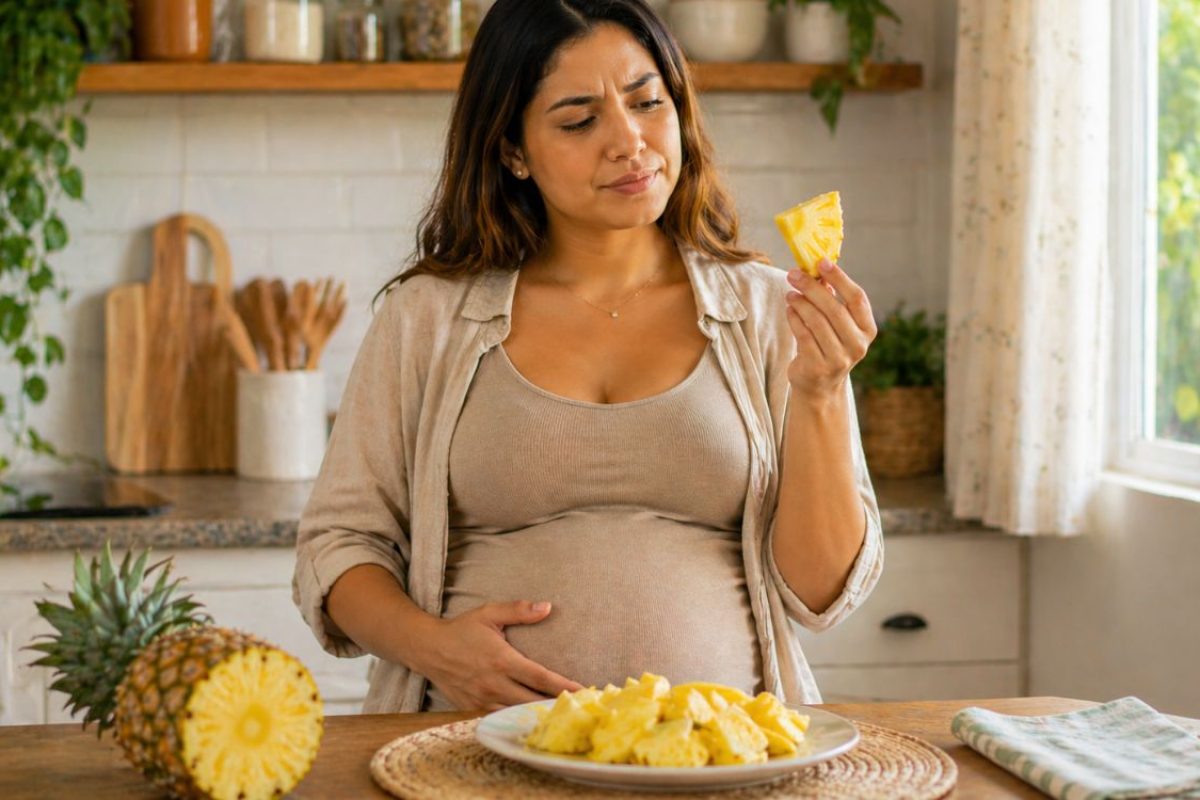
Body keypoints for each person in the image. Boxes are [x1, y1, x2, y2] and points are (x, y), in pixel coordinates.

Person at [292, 0, 884, 715]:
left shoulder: (771, 309)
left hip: (721, 757)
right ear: (512, 150)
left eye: (647, 103)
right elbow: (339, 545)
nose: (629, 141)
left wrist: (821, 391)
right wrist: (433, 647)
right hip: (461, 749)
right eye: (579, 121)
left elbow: (820, 594)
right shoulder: (425, 318)